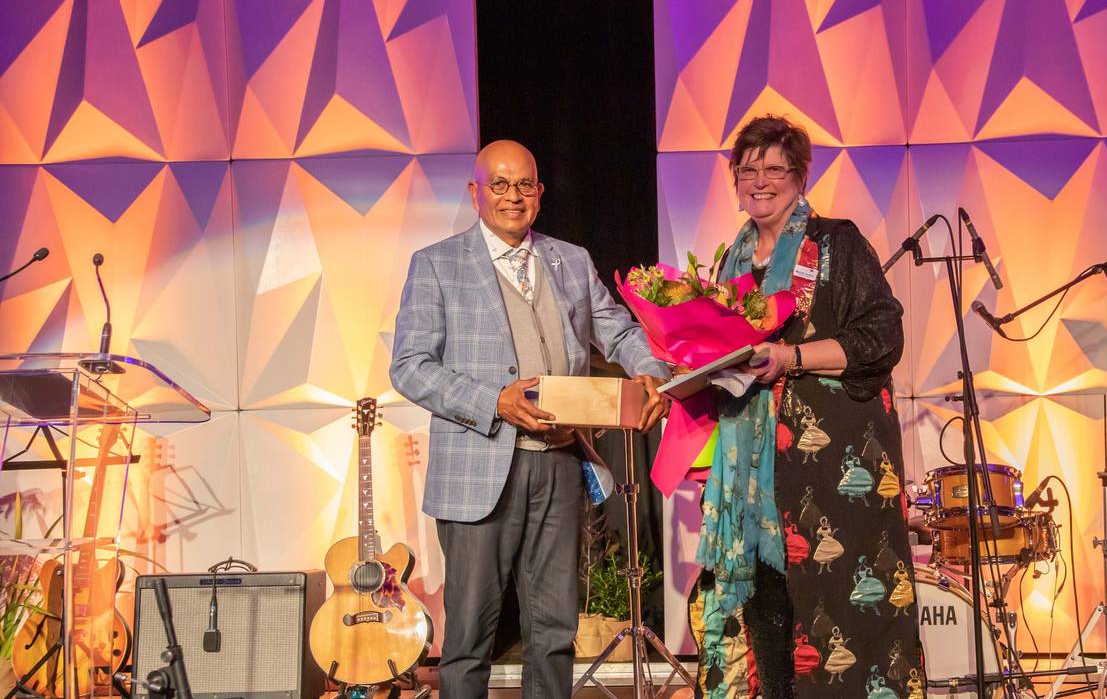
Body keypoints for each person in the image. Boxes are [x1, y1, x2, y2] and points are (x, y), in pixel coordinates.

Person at [390, 139, 670, 698]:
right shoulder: (437, 264)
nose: (512, 196)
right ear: (476, 193)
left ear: (539, 194)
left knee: (555, 631)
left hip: (560, 466)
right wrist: (494, 400)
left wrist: (650, 369)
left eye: (524, 185)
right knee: (469, 634)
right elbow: (409, 367)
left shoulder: (571, 259)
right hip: (478, 469)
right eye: (499, 184)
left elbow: (616, 327)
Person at [688, 116, 923, 698]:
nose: (760, 180)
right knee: (763, 613)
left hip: (828, 471)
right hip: (749, 476)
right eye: (748, 169)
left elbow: (881, 336)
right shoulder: (731, 263)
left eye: (774, 168)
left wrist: (791, 357)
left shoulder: (836, 243)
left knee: (837, 615)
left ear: (798, 176)